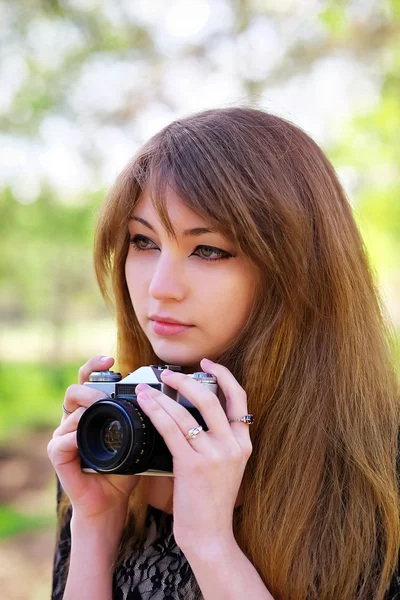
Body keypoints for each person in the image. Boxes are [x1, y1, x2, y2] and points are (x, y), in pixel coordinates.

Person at [47, 107, 400, 600]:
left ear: (295, 268)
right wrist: (96, 524)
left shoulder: (384, 465)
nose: (160, 289)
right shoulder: (110, 435)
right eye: (144, 241)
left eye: (208, 250)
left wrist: (210, 545)